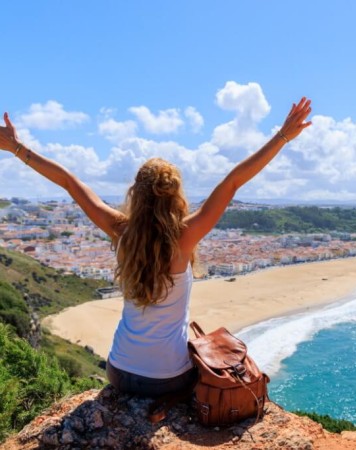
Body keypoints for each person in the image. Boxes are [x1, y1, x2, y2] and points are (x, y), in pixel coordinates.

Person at [0, 97, 312, 397]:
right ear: (175, 195)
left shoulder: (121, 231)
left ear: (136, 192)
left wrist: (16, 147)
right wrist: (283, 136)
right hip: (168, 379)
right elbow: (232, 183)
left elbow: (69, 182)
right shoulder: (184, 237)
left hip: (120, 371)